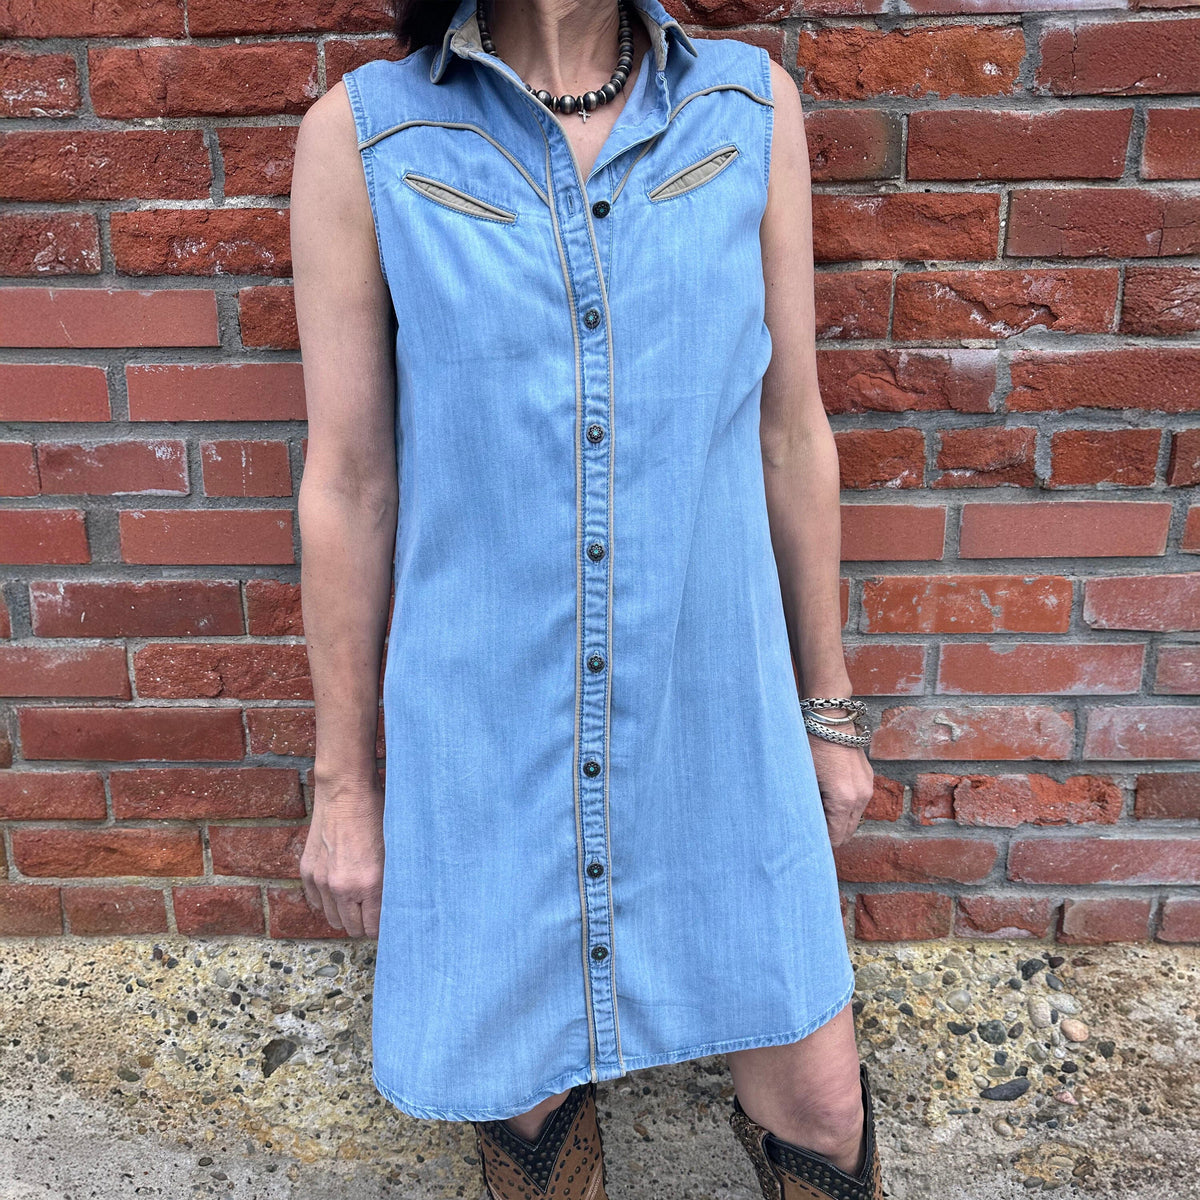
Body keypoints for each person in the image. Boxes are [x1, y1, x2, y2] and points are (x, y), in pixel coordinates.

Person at [290, 0, 886, 1198]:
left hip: (710, 713)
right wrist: (346, 788)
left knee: (821, 1104)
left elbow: (790, 435)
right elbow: (350, 484)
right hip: (490, 737)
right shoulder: (366, 136)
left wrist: (827, 713)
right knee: (528, 1110)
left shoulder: (746, 109)